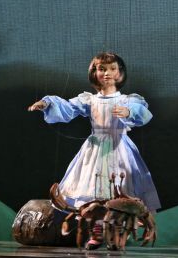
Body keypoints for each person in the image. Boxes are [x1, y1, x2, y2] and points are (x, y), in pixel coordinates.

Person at [28, 52, 160, 213]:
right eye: (102, 69)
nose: (107, 73)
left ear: (119, 72)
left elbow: (141, 112)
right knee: (89, 182)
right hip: (95, 147)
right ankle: (93, 219)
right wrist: (46, 103)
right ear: (94, 73)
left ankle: (121, 217)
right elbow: (68, 107)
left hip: (119, 146)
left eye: (112, 69)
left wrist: (128, 112)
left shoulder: (127, 100)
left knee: (123, 182)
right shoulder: (90, 99)